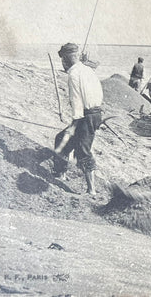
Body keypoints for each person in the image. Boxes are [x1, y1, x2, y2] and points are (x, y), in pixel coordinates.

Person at [53, 43, 103, 195]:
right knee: (62, 138)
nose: (62, 63)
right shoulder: (88, 70)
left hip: (85, 116)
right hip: (95, 113)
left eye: (63, 60)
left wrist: (75, 122)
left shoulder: (74, 75)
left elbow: (76, 101)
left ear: (67, 59)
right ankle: (61, 173)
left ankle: (91, 190)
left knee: (82, 150)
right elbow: (98, 92)